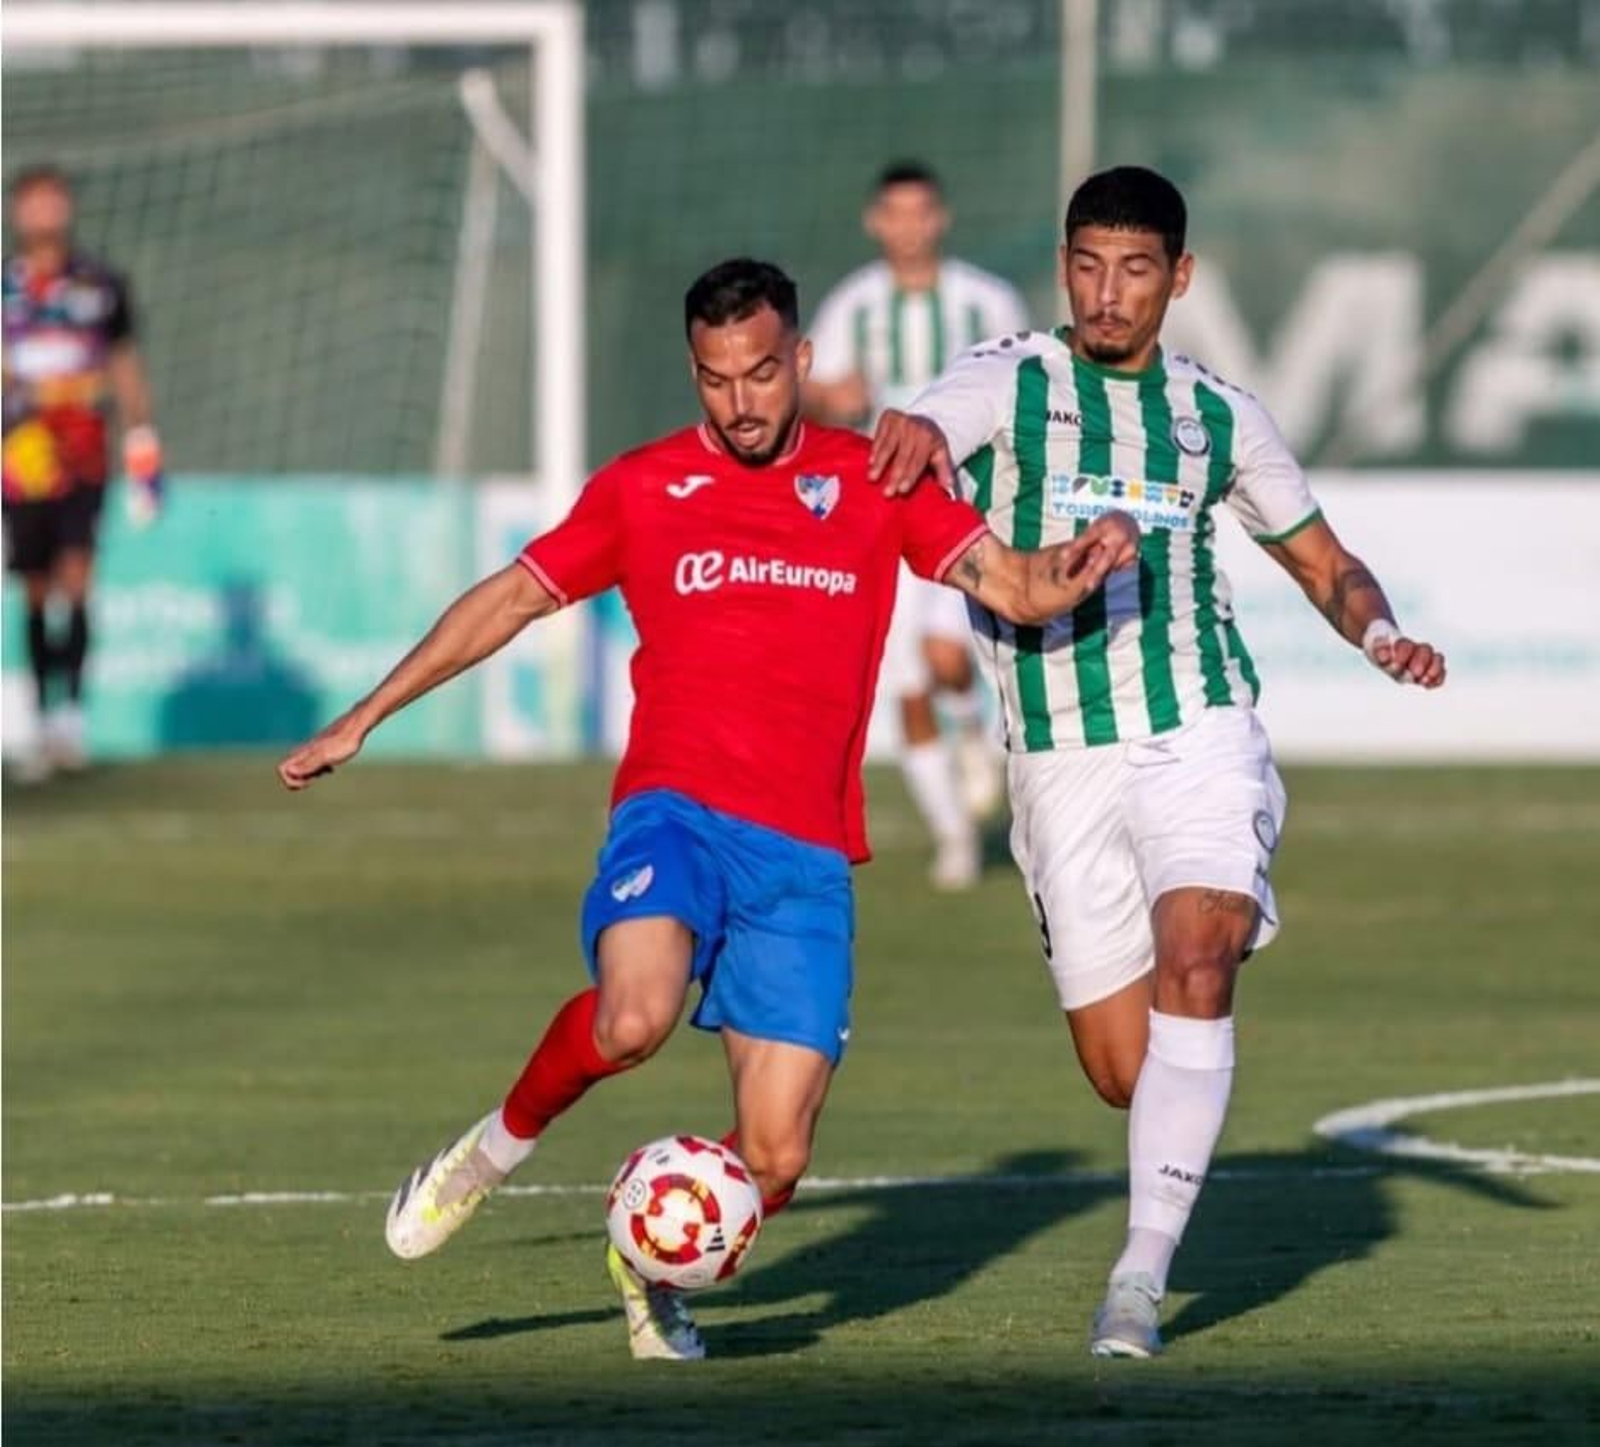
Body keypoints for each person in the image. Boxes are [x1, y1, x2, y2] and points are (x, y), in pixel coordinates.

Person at [277, 258, 1139, 1362]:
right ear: (694, 372)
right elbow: (511, 597)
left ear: (802, 360)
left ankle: (647, 1264)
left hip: (803, 857)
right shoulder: (643, 487)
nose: (741, 402)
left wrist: (1081, 559)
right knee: (632, 1016)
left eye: (762, 373)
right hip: (675, 812)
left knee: (775, 1160)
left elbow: (1013, 585)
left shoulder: (875, 477)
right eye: (717, 378)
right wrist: (365, 715)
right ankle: (489, 1152)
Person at [870, 166, 1446, 1359]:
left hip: (1200, 723)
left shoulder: (1219, 414)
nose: (1107, 293)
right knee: (1124, 1073)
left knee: (1199, 949)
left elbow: (1324, 562)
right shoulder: (1008, 375)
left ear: (1177, 278)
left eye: (1134, 270)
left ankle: (1137, 1278)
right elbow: (930, 429)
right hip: (1057, 755)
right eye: (1087, 266)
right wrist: (916, 433)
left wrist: (1378, 632)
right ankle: (1187, 1086)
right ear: (1063, 267)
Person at [804, 162, 1032, 890]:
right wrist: (828, 397)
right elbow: (810, 394)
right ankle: (955, 836)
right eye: (895, 214)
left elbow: (1028, 385)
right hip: (877, 518)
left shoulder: (985, 301)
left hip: (962, 506)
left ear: (941, 218)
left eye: (921, 212)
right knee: (903, 687)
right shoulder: (854, 305)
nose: (909, 228)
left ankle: (971, 734)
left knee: (944, 654)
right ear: (876, 221)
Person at [3, 163, 163, 780]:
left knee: (78, 578)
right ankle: (40, 717)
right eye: (33, 201)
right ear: (17, 212)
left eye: (53, 200)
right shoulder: (7, 285)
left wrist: (143, 441)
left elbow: (124, 364)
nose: (44, 211)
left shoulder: (101, 284)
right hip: (23, 455)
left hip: (84, 453)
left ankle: (71, 717)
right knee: (35, 586)